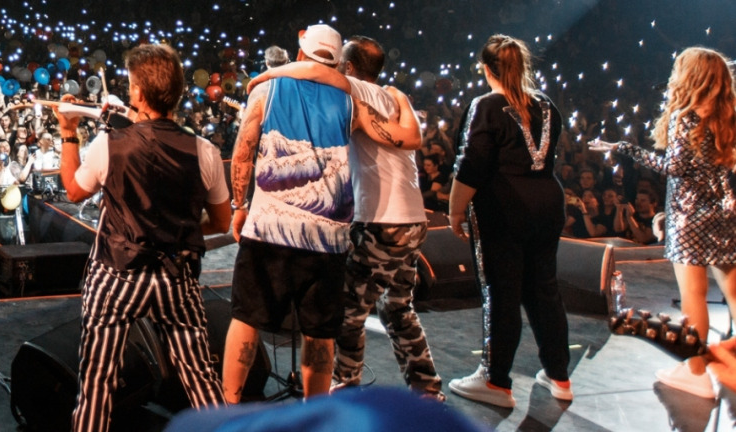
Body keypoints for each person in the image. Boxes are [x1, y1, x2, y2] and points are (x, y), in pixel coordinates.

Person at [248, 35, 443, 397]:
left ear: (348, 67)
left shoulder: (350, 88)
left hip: (381, 220)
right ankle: (427, 389)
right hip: (414, 220)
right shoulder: (395, 95)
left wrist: (264, 78)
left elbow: (309, 68)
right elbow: (414, 138)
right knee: (399, 309)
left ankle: (346, 387)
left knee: (349, 311)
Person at [56, 42, 230, 431]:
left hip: (116, 275)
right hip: (176, 276)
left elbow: (72, 190)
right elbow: (221, 222)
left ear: (136, 92)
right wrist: (180, 228)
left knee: (97, 380)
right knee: (200, 375)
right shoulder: (204, 151)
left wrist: (68, 132)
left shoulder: (109, 145)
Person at [593, 47, 736, 399]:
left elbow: (673, 167)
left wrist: (625, 147)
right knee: (734, 291)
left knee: (693, 295)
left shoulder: (685, 117)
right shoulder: (727, 115)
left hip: (690, 217)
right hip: (725, 212)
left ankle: (696, 373)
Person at [223, 24, 354, 401]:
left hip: (268, 231)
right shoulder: (352, 99)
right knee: (320, 330)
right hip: (328, 239)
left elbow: (243, 151)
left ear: (300, 53)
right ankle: (317, 414)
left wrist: (239, 206)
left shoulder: (268, 88)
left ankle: (228, 405)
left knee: (247, 318)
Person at [446, 35, 571, 406]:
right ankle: (559, 376)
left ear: (487, 69)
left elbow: (471, 165)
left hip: (504, 208)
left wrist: (455, 210)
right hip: (548, 201)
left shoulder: (486, 105)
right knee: (544, 288)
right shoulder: (546, 105)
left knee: (501, 292)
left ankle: (496, 380)